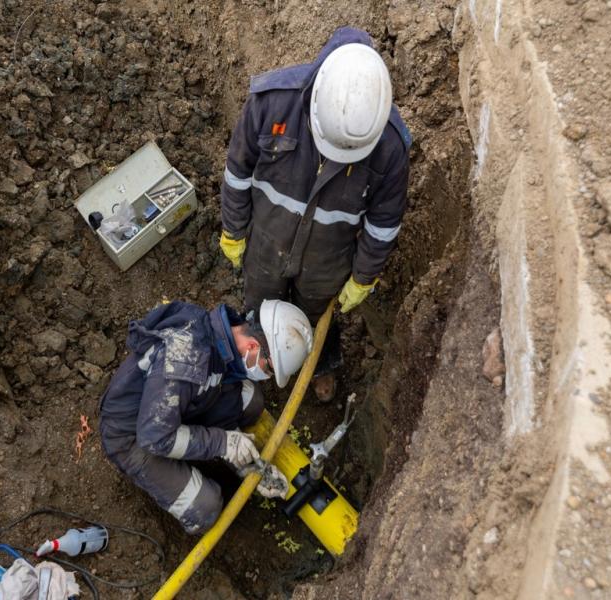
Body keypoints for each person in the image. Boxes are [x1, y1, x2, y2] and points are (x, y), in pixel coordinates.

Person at [219, 26, 412, 402]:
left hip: (329, 256)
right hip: (267, 237)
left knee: (315, 317)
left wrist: (362, 277)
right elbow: (237, 173)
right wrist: (234, 228)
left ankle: (318, 364)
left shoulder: (389, 145)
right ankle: (260, 360)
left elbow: (383, 226)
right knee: (259, 304)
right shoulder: (273, 102)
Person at [98, 299, 313, 534]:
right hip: (135, 436)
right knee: (204, 508)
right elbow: (155, 437)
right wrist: (222, 443)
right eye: (269, 368)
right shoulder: (186, 358)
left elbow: (219, 390)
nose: (267, 375)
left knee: (251, 400)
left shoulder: (222, 341)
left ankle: (200, 444)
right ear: (252, 346)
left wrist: (251, 464)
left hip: (175, 407)